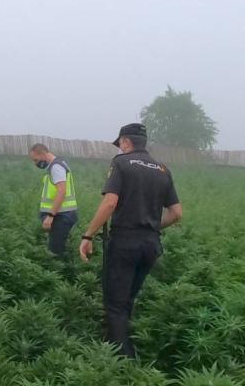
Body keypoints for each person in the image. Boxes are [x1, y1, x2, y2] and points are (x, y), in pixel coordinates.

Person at [78, 123, 183, 358]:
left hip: (125, 243)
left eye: (120, 144)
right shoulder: (163, 169)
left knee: (115, 304)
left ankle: (123, 362)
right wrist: (153, 227)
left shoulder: (121, 163)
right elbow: (177, 213)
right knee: (127, 300)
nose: (120, 148)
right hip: (151, 245)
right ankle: (116, 341)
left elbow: (110, 203)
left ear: (125, 142)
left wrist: (88, 235)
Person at [29, 143, 79, 257]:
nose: (35, 163)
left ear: (42, 154)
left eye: (35, 160)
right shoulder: (59, 164)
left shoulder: (56, 167)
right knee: (61, 250)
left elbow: (62, 191)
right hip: (62, 215)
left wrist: (50, 216)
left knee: (56, 254)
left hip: (61, 216)